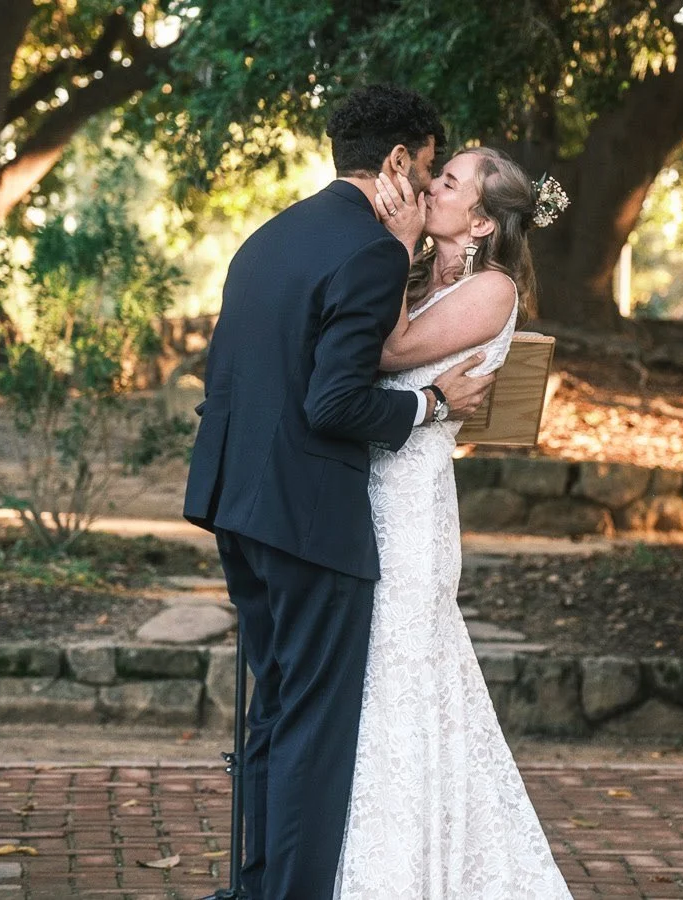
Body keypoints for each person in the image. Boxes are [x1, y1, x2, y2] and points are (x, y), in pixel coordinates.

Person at [182, 85, 496, 900]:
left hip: (236, 503)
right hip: (311, 517)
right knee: (314, 732)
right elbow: (335, 402)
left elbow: (234, 375)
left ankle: (252, 886)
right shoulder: (370, 251)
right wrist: (433, 404)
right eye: (430, 172)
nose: (430, 192)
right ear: (398, 159)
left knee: (273, 712)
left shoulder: (269, 236)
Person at [331, 147, 574, 897]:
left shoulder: (494, 290)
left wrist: (398, 241)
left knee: (401, 678)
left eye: (447, 181)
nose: (426, 186)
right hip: (364, 494)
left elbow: (389, 349)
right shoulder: (418, 279)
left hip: (409, 509)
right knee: (381, 683)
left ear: (476, 218)